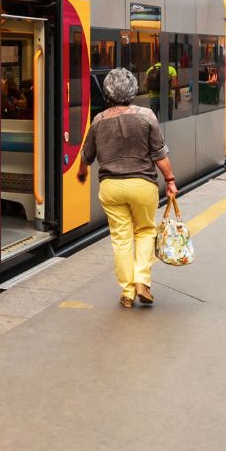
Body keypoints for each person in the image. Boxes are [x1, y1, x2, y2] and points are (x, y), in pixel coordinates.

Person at [76, 67, 177, 308]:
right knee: (144, 230)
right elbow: (159, 155)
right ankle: (142, 279)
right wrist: (170, 180)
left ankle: (127, 292)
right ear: (133, 90)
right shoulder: (147, 116)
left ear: (107, 93)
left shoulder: (99, 121)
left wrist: (81, 172)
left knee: (121, 239)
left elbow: (86, 157)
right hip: (142, 185)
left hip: (111, 187)